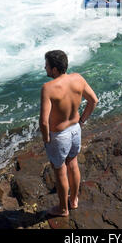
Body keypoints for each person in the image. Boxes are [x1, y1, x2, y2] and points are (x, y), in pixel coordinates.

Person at [39, 50, 99, 217]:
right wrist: (82, 121)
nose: (45, 67)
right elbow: (94, 100)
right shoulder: (78, 78)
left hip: (59, 136)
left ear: (55, 70)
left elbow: (44, 121)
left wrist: (46, 139)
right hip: (75, 130)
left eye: (47, 66)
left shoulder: (48, 88)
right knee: (73, 163)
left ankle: (63, 209)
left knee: (60, 172)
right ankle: (74, 200)